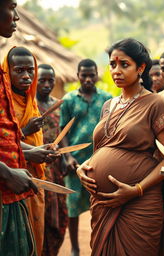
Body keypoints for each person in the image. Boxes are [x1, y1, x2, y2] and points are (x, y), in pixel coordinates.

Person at [76, 38, 164, 256]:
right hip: (103, 204)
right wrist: (84, 167)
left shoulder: (156, 104)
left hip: (141, 203)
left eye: (124, 64)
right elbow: (104, 149)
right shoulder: (108, 106)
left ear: (141, 68)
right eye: (112, 64)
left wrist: (136, 190)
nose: (116, 71)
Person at [0, 1, 55, 255]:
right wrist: (8, 172)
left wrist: (31, 153)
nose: (17, 16)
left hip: (16, 187)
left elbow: (5, 138)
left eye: (29, 71)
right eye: (12, 6)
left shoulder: (30, 101)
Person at [60, 58, 112, 256]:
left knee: (98, 206)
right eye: (84, 75)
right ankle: (74, 247)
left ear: (97, 75)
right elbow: (63, 131)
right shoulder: (68, 100)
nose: (88, 79)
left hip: (99, 162)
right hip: (74, 164)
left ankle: (97, 243)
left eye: (92, 75)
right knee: (72, 208)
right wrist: (67, 158)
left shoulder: (106, 99)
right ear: (78, 76)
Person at [36, 64, 68, 256]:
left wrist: (64, 157)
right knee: (43, 213)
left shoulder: (58, 105)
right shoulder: (29, 106)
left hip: (56, 166)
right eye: (42, 80)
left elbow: (62, 132)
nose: (47, 84)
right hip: (36, 165)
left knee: (60, 214)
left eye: (50, 81)